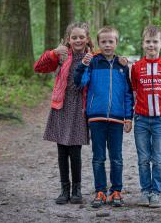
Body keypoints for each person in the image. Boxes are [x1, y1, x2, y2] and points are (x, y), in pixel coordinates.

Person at [33, 22, 94, 205]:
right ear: (68, 39)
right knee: (62, 151)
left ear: (87, 39)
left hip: (79, 108)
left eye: (81, 37)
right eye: (74, 37)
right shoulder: (62, 55)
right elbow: (39, 67)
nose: (78, 40)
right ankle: (64, 189)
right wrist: (53, 53)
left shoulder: (93, 57)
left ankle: (77, 189)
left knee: (75, 151)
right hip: (61, 106)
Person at [74, 26, 134, 208]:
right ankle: (100, 191)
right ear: (98, 44)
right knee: (98, 157)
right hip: (96, 118)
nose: (107, 45)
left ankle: (117, 191)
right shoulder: (93, 62)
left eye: (111, 41)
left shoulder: (122, 66)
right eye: (103, 42)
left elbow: (128, 93)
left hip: (117, 119)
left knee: (116, 157)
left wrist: (128, 117)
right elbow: (80, 83)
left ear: (116, 43)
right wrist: (82, 65)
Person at [130, 25, 161, 208]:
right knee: (143, 158)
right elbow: (134, 90)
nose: (151, 45)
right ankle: (144, 191)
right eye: (148, 42)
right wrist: (135, 109)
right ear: (143, 44)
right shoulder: (136, 67)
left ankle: (155, 193)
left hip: (160, 120)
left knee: (157, 158)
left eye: (155, 42)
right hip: (141, 119)